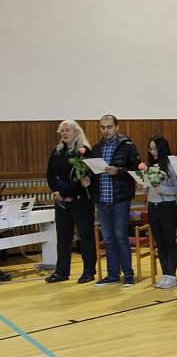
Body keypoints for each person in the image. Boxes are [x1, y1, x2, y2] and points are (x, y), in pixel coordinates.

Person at [87, 115, 140, 287]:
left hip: (120, 199)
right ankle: (112, 274)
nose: (106, 131)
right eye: (102, 127)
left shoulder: (128, 147)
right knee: (108, 239)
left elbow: (135, 171)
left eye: (109, 127)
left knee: (121, 237)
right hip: (102, 199)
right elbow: (92, 172)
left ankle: (129, 274)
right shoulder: (96, 148)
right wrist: (87, 180)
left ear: (117, 127)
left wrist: (118, 171)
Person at [45, 119, 96, 283]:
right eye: (62, 130)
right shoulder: (57, 151)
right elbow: (49, 174)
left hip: (80, 199)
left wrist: (68, 193)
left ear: (76, 132)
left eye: (68, 130)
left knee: (85, 236)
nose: (64, 133)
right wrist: (56, 192)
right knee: (63, 236)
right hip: (61, 200)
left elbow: (83, 177)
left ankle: (89, 271)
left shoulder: (84, 151)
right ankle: (61, 272)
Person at [143, 136, 177, 289]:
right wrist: (143, 184)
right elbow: (149, 186)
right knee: (159, 243)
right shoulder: (151, 165)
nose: (152, 152)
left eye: (155, 149)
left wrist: (163, 189)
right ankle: (165, 274)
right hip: (153, 206)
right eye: (150, 149)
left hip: (167, 207)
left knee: (169, 241)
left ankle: (172, 275)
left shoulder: (171, 165)